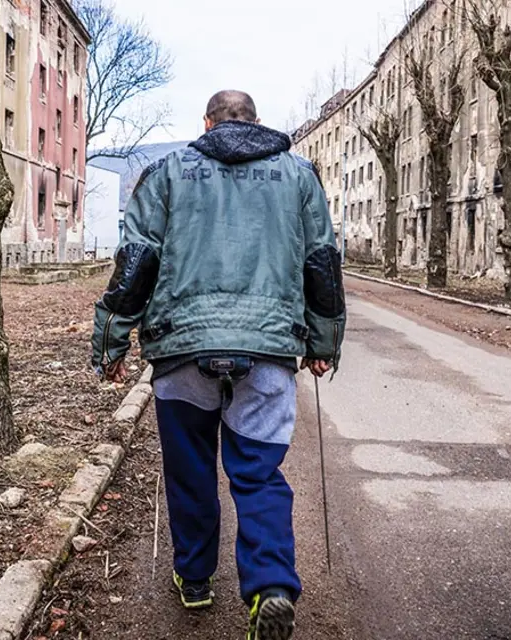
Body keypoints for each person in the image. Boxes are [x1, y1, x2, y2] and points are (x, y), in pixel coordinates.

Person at [91, 90, 346, 640]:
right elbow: (321, 261)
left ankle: (196, 580)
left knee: (190, 471)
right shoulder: (301, 176)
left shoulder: (165, 173)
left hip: (183, 350)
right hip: (269, 351)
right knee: (257, 475)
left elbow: (136, 261)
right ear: (256, 122)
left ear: (206, 124)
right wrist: (323, 342)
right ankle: (271, 587)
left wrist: (112, 340)